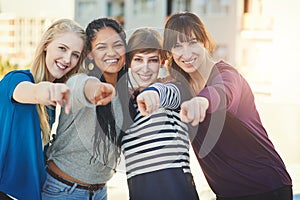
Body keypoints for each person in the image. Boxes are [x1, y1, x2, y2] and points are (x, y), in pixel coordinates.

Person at [163, 11, 293, 200]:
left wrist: (201, 101)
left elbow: (222, 93)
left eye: (192, 42)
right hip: (226, 193)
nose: (186, 53)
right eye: (177, 46)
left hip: (266, 188)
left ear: (205, 42)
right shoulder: (180, 87)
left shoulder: (227, 75)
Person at [42, 18, 134, 200]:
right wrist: (96, 90)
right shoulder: (80, 80)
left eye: (117, 45)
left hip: (100, 192)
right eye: (101, 47)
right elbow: (80, 88)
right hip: (62, 191)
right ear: (90, 54)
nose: (111, 52)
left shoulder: (128, 92)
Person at [0, 19, 86, 200]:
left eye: (75, 55)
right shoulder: (15, 80)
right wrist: (48, 90)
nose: (67, 59)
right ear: (46, 45)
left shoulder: (52, 107)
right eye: (62, 48)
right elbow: (32, 92)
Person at [121, 28, 199, 200]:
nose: (145, 68)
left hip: (176, 190)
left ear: (162, 62)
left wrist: (152, 93)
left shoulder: (173, 88)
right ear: (129, 63)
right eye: (138, 59)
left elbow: (168, 93)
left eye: (153, 60)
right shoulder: (126, 105)